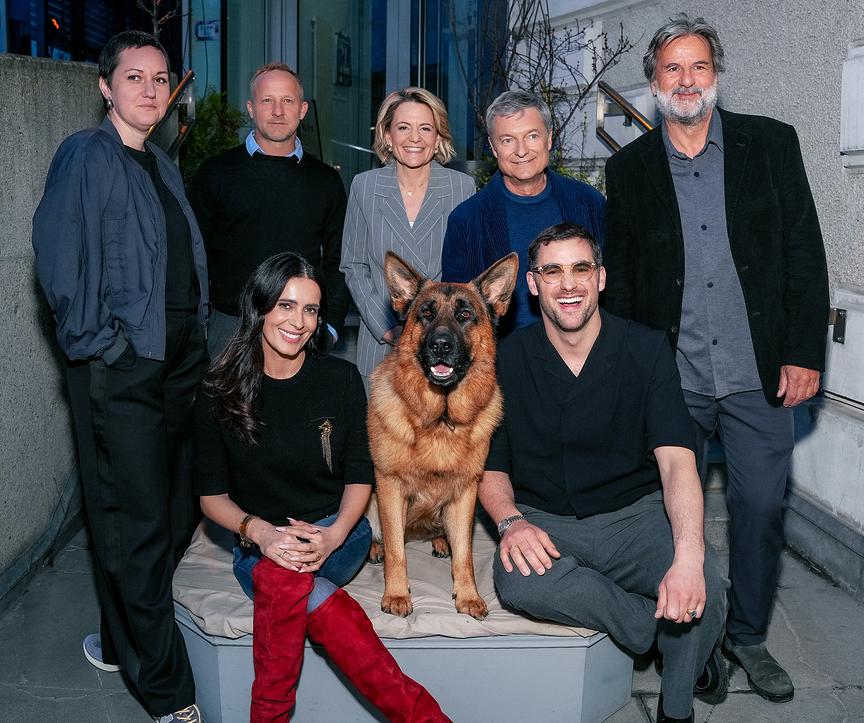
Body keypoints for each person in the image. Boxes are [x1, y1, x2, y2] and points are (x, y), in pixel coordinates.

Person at [603, 14, 829, 704]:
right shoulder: (629, 168)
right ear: (653, 82)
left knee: (760, 504)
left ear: (717, 74)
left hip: (758, 370)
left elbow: (803, 252)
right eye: (671, 69)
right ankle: (694, 636)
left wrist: (802, 351)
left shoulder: (770, 144)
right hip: (671, 374)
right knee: (675, 511)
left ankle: (750, 635)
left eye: (698, 66)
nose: (686, 80)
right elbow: (627, 276)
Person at [480, 223, 728, 723]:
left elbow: (677, 458)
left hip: (632, 518)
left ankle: (676, 708)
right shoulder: (505, 359)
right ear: (533, 284)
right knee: (519, 583)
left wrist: (688, 554)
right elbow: (488, 464)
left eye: (581, 269)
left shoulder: (645, 348)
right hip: (545, 520)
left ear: (601, 279)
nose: (568, 284)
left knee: (708, 582)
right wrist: (510, 521)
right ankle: (650, 630)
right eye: (552, 271)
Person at [32, 30, 208, 723]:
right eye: (134, 77)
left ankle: (117, 638)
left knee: (167, 514)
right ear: (105, 87)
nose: (150, 90)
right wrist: (99, 346)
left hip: (173, 361)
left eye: (161, 79)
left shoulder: (159, 164)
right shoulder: (86, 153)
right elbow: (57, 256)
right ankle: (168, 692)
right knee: (131, 522)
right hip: (122, 367)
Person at [194, 252, 449, 723]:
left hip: (339, 534)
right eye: (287, 306)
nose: (298, 321)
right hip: (257, 542)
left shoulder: (339, 378)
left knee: (284, 580)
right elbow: (212, 497)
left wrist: (333, 534)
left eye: (310, 310)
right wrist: (262, 534)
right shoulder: (219, 388)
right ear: (260, 307)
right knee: (285, 578)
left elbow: (359, 474)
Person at [189, 62, 349, 357]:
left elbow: (340, 259)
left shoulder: (326, 181)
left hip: (300, 328)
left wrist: (331, 326)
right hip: (230, 327)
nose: (278, 111)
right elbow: (193, 256)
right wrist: (200, 326)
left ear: (302, 110)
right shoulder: (215, 173)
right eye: (267, 101)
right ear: (251, 107)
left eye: (287, 101)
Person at [340, 87, 475, 385]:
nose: (414, 138)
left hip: (444, 345)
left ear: (438, 137)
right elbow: (354, 266)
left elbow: (468, 270)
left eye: (425, 128)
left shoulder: (462, 188)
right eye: (403, 127)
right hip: (381, 346)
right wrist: (386, 327)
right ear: (388, 135)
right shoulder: (364, 187)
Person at [441, 90, 605, 333]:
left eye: (532, 136)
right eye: (507, 140)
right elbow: (456, 312)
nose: (521, 151)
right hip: (505, 359)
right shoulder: (466, 220)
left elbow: (611, 285)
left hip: (583, 349)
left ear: (549, 139)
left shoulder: (589, 202)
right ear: (494, 147)